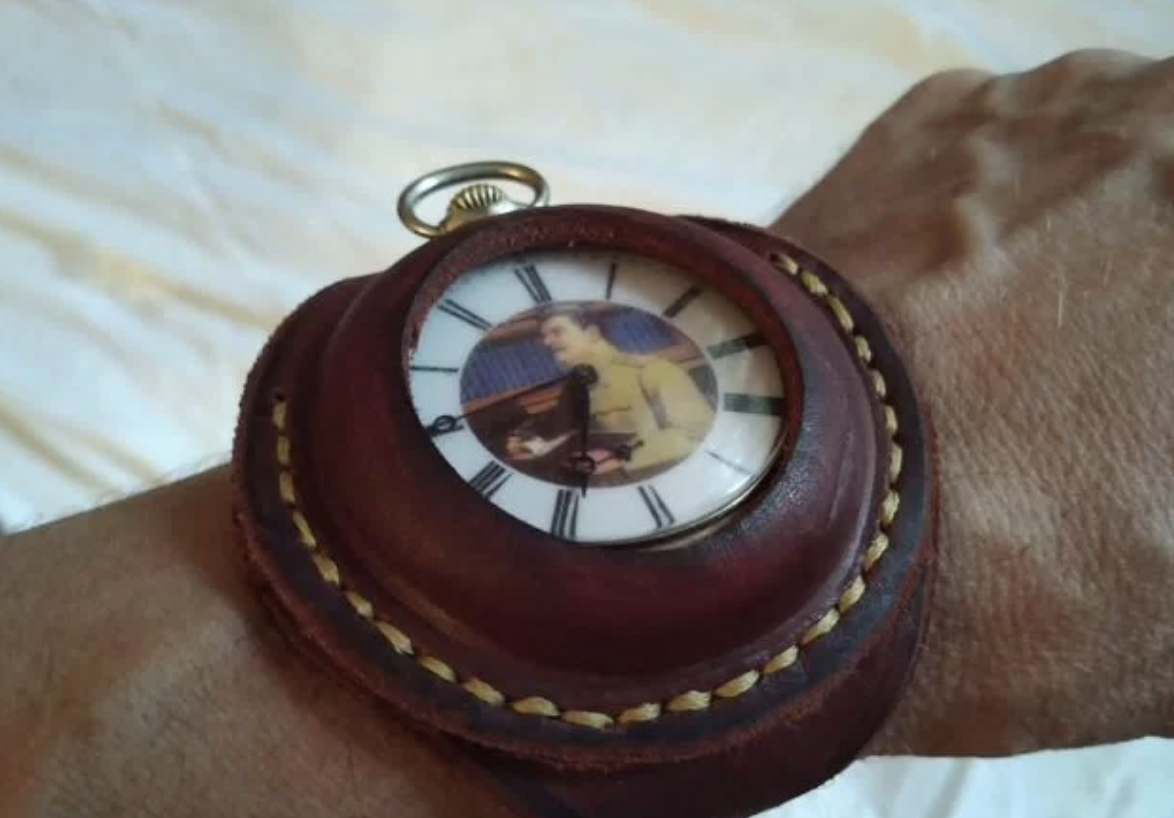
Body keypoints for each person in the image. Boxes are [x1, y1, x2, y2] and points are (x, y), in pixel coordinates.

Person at [2, 50, 1172, 817]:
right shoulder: (553, 374)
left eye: (568, 329)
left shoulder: (628, 364)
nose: (560, 338)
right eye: (553, 329)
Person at [504, 304, 715, 480]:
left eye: (557, 332)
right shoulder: (574, 389)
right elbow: (564, 433)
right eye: (543, 336)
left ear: (592, 334)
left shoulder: (651, 371)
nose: (546, 342)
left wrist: (616, 459)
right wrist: (529, 444)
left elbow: (696, 433)